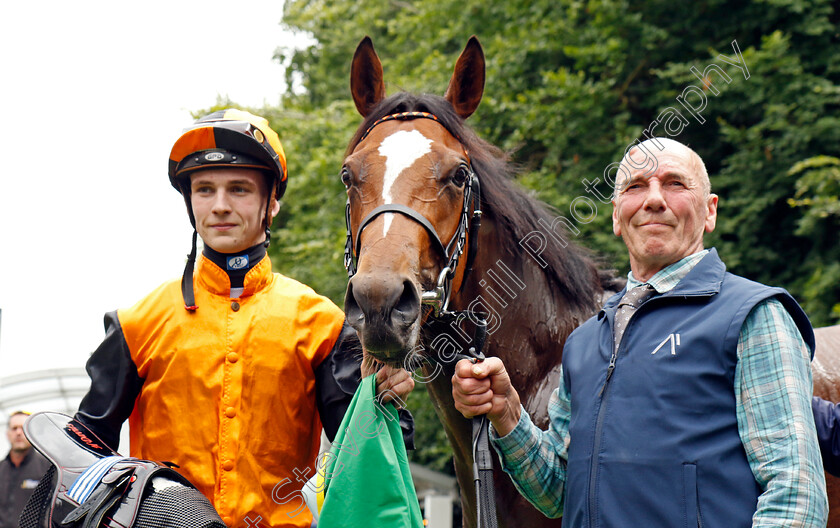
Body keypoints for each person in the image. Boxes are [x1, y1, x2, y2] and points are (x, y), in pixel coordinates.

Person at [452, 137, 828, 526]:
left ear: (709, 211)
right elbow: (557, 492)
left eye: (675, 183)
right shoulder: (584, 342)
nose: (653, 199)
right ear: (617, 215)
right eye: (635, 186)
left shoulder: (753, 315)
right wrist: (507, 413)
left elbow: (795, 493)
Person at [73, 109, 414, 528]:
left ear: (271, 202)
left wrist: (377, 399)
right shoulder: (136, 324)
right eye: (204, 190)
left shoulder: (321, 323)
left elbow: (362, 458)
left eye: (238, 189)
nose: (219, 206)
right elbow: (84, 455)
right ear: (189, 202)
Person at [0, 411, 51, 528]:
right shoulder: (1, 469)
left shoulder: (48, 469)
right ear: (7, 434)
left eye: (23, 428)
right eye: (14, 428)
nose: (18, 432)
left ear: (32, 433)